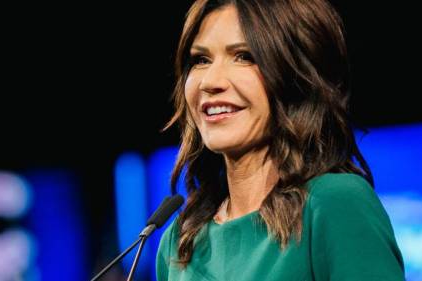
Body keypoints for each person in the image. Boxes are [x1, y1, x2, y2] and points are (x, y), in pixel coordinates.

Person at [156, 0, 405, 280]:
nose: (210, 81)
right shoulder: (180, 241)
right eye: (200, 60)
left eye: (245, 56)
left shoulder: (334, 204)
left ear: (296, 76)